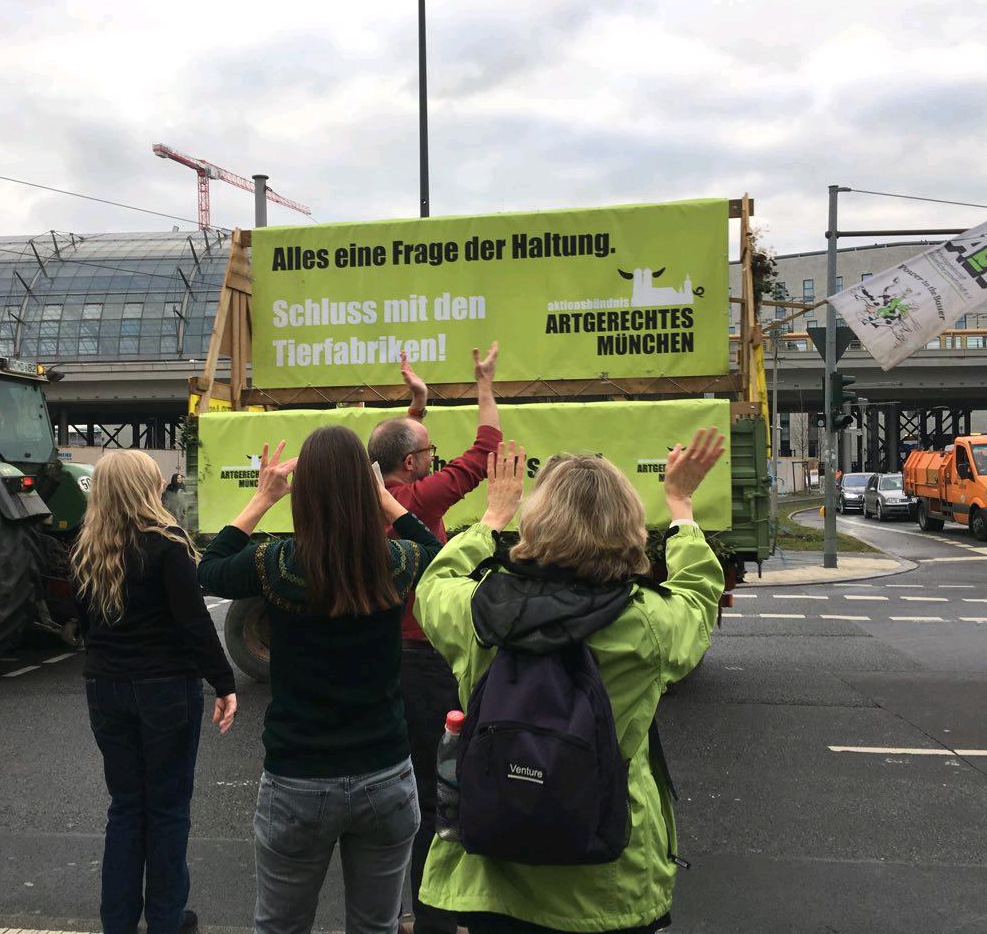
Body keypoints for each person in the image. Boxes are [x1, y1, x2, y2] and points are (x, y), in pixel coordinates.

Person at [414, 430, 726, 934]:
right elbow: (697, 594)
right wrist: (682, 507)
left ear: (535, 523)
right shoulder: (648, 623)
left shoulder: (479, 612)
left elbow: (433, 585)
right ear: (627, 527)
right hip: (610, 880)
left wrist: (491, 518)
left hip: (495, 878)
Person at [198, 427, 442, 934]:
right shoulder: (394, 562)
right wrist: (385, 500)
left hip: (298, 776)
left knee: (281, 925)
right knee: (377, 925)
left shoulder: (276, 564)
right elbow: (435, 551)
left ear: (303, 492)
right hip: (385, 774)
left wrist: (262, 499)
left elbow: (210, 569)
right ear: (365, 486)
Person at [71, 449, 238, 934]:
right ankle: (166, 920)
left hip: (104, 686)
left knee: (126, 807)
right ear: (145, 488)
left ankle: (117, 923)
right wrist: (224, 682)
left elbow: (84, 625)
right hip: (164, 686)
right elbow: (194, 622)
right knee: (167, 809)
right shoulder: (166, 543)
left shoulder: (85, 548)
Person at [366, 344, 500, 934]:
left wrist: (417, 406)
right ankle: (433, 915)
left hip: (387, 654)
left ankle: (400, 910)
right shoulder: (418, 500)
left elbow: (391, 451)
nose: (434, 457)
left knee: (404, 782)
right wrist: (484, 383)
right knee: (434, 790)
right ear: (413, 465)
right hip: (424, 659)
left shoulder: (375, 495)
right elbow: (486, 450)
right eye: (428, 452)